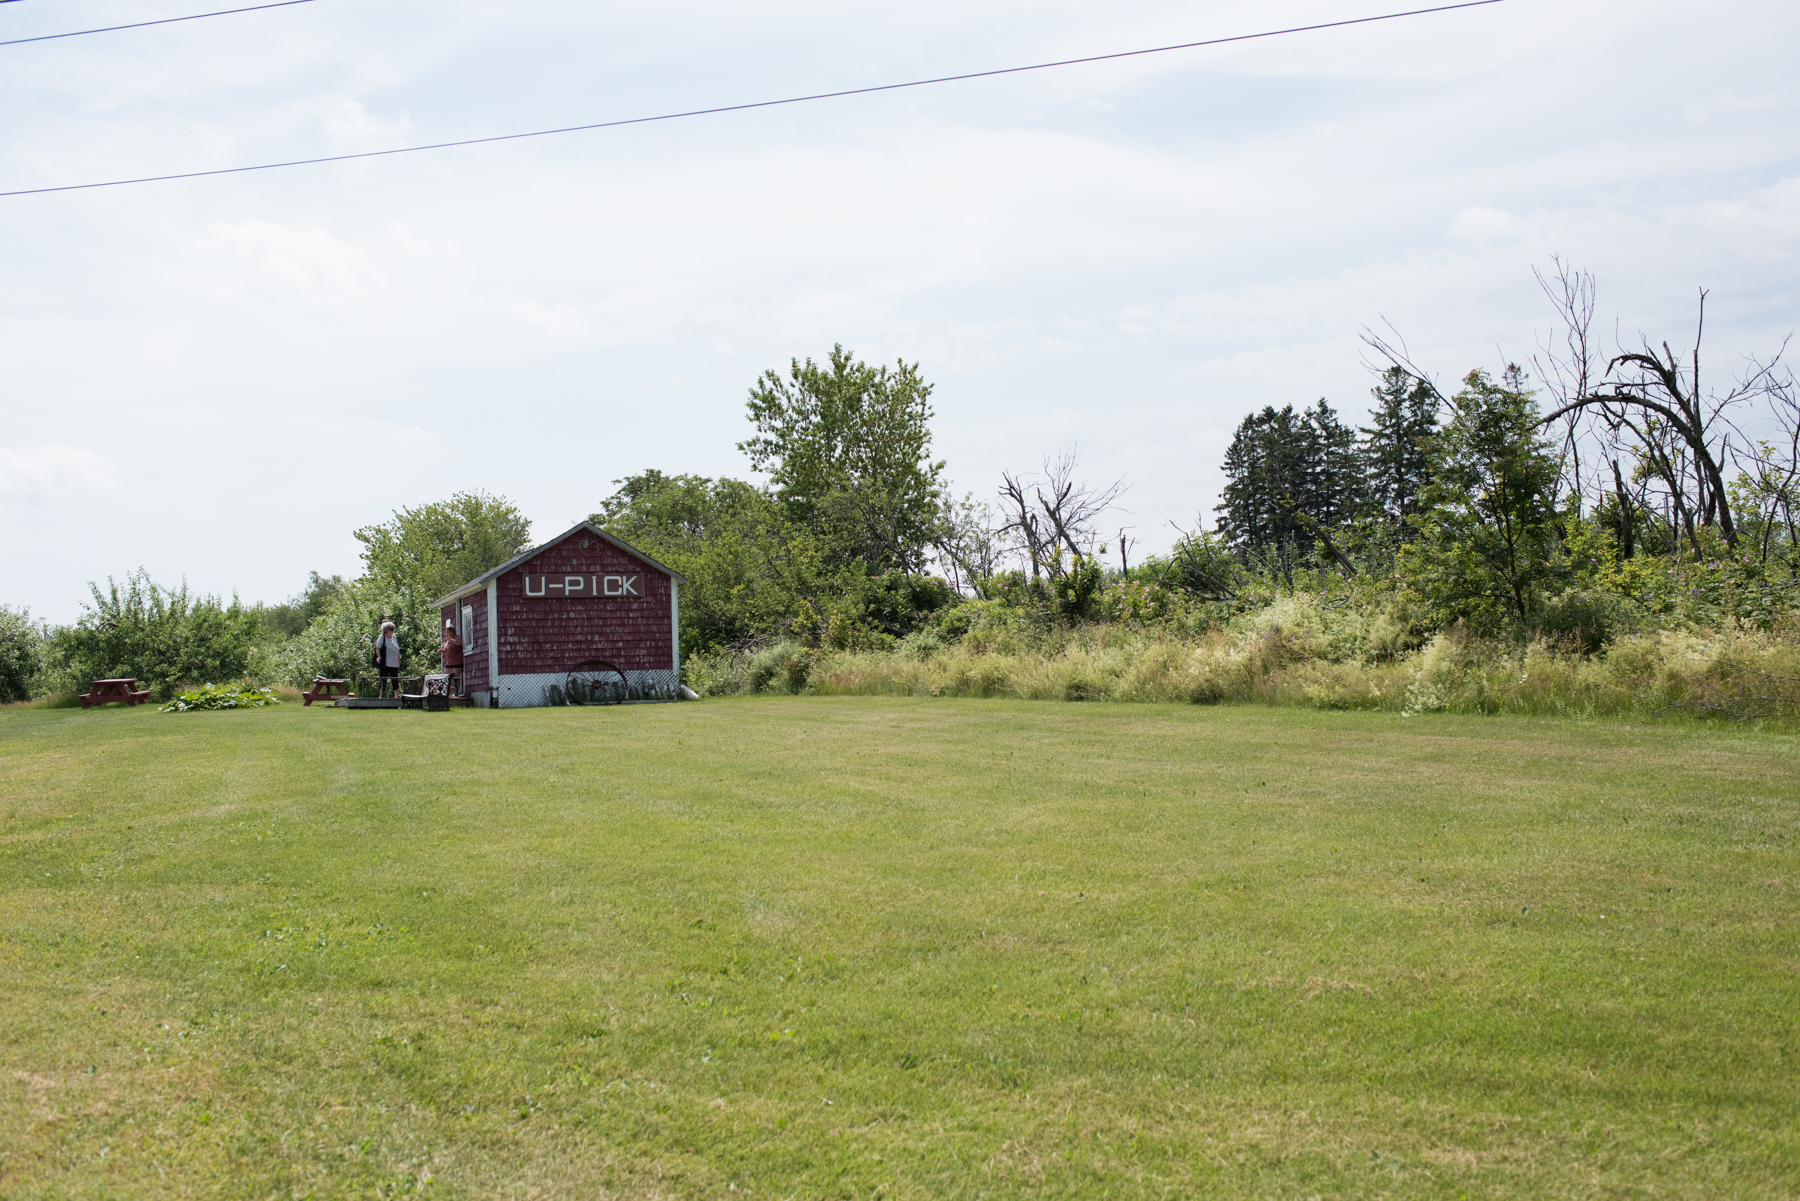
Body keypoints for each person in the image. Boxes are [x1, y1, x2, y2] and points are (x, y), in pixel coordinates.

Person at [373, 621, 402, 698]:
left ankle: (396, 694)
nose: (393, 631)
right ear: (386, 630)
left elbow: (397, 649)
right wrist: (378, 657)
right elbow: (378, 648)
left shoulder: (394, 637)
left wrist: (399, 658)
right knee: (383, 678)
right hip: (385, 662)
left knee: (395, 678)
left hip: (394, 662)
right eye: (391, 629)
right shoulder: (382, 637)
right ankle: (381, 695)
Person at [440, 618, 464, 695]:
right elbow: (446, 649)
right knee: (446, 677)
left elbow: (459, 643)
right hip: (449, 662)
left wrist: (451, 639)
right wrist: (442, 650)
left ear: (450, 632)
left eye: (446, 632)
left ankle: (456, 693)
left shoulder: (456, 637)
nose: (445, 633)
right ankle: (448, 693)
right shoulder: (447, 640)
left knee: (456, 678)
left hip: (456, 661)